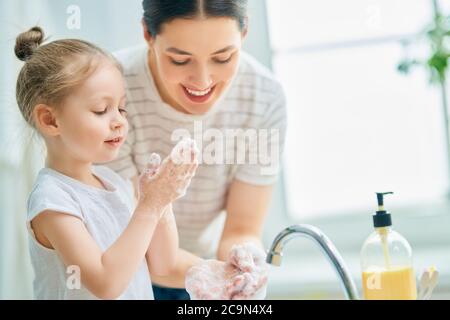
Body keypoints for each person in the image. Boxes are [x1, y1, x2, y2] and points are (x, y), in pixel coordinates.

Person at [107, 0, 287, 299]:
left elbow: (242, 228)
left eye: (223, 57)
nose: (202, 81)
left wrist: (243, 267)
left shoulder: (264, 97)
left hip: (199, 269)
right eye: (180, 60)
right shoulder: (110, 90)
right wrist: (214, 274)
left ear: (244, 32)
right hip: (120, 271)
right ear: (147, 34)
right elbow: (133, 241)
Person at [15, 26, 198, 299]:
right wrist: (150, 206)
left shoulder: (111, 182)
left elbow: (162, 264)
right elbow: (105, 283)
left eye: (121, 108)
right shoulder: (52, 201)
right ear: (50, 120)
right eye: (102, 110)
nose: (119, 121)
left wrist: (163, 201)